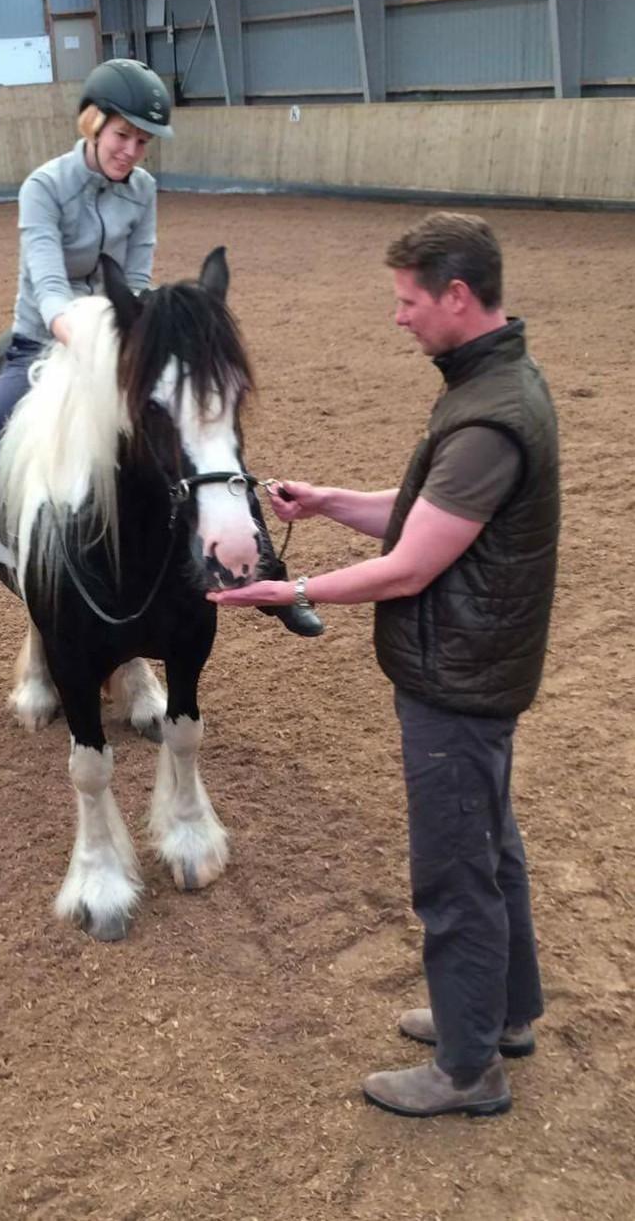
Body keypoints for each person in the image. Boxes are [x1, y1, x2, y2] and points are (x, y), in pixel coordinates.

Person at [209, 212, 559, 1118]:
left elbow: (410, 564)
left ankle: (466, 1068)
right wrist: (330, 503)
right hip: (478, 667)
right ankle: (501, 1015)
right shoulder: (489, 386)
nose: (398, 317)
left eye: (408, 301)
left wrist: (296, 592)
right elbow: (424, 514)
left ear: (455, 295)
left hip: (458, 680)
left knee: (452, 873)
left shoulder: (489, 417)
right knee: (492, 851)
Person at [0, 58, 320, 689]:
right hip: (42, 348)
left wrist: (140, 341)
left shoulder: (143, 191)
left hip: (121, 345)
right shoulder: (43, 187)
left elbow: (137, 278)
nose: (131, 151)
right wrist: (95, 342)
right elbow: (47, 289)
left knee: (201, 434)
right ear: (93, 124)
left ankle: (263, 575)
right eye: (122, 135)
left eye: (142, 141)